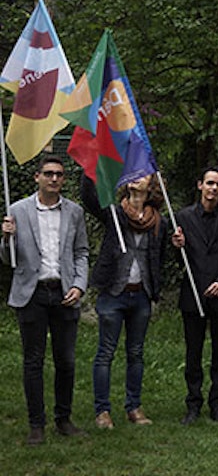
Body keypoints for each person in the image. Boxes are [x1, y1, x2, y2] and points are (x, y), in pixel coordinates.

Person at [2, 155, 89, 445]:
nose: (54, 179)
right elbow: (7, 259)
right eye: (49, 173)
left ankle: (63, 419)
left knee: (66, 361)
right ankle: (36, 424)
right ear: (37, 177)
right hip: (32, 294)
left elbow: (81, 252)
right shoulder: (18, 210)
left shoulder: (74, 212)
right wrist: (6, 238)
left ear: (64, 179)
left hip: (64, 292)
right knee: (33, 361)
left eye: (59, 174)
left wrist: (79, 285)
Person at [82, 173, 166, 429]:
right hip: (113, 294)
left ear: (151, 185)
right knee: (106, 352)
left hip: (140, 295)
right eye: (134, 173)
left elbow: (160, 257)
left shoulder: (157, 222)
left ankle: (133, 406)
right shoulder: (115, 213)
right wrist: (90, 168)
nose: (137, 176)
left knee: (136, 353)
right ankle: (102, 410)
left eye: (143, 174)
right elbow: (88, 198)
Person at [171, 166, 218, 425]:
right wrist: (176, 246)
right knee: (193, 353)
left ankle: (217, 404)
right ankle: (193, 404)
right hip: (193, 294)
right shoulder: (182, 217)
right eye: (210, 183)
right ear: (200, 185)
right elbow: (175, 259)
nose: (214, 188)